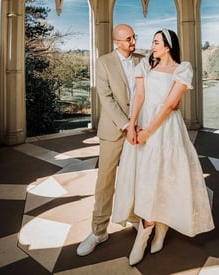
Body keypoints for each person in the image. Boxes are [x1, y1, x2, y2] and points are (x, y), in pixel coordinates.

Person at [112, 29, 215, 265]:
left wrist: (149, 132)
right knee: (146, 178)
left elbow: (170, 105)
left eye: (156, 42)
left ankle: (156, 229)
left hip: (166, 129)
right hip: (142, 124)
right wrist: (132, 127)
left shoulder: (183, 68)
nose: (152, 45)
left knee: (164, 177)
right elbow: (139, 97)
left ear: (168, 46)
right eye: (153, 42)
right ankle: (150, 229)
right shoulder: (145, 66)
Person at [76, 24, 144, 257]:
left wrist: (139, 124)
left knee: (136, 177)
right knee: (105, 181)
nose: (133, 42)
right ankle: (98, 231)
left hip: (140, 129)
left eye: (134, 37)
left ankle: (135, 217)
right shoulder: (104, 62)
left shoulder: (143, 60)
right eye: (128, 39)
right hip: (114, 130)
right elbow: (106, 98)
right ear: (116, 42)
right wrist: (127, 125)